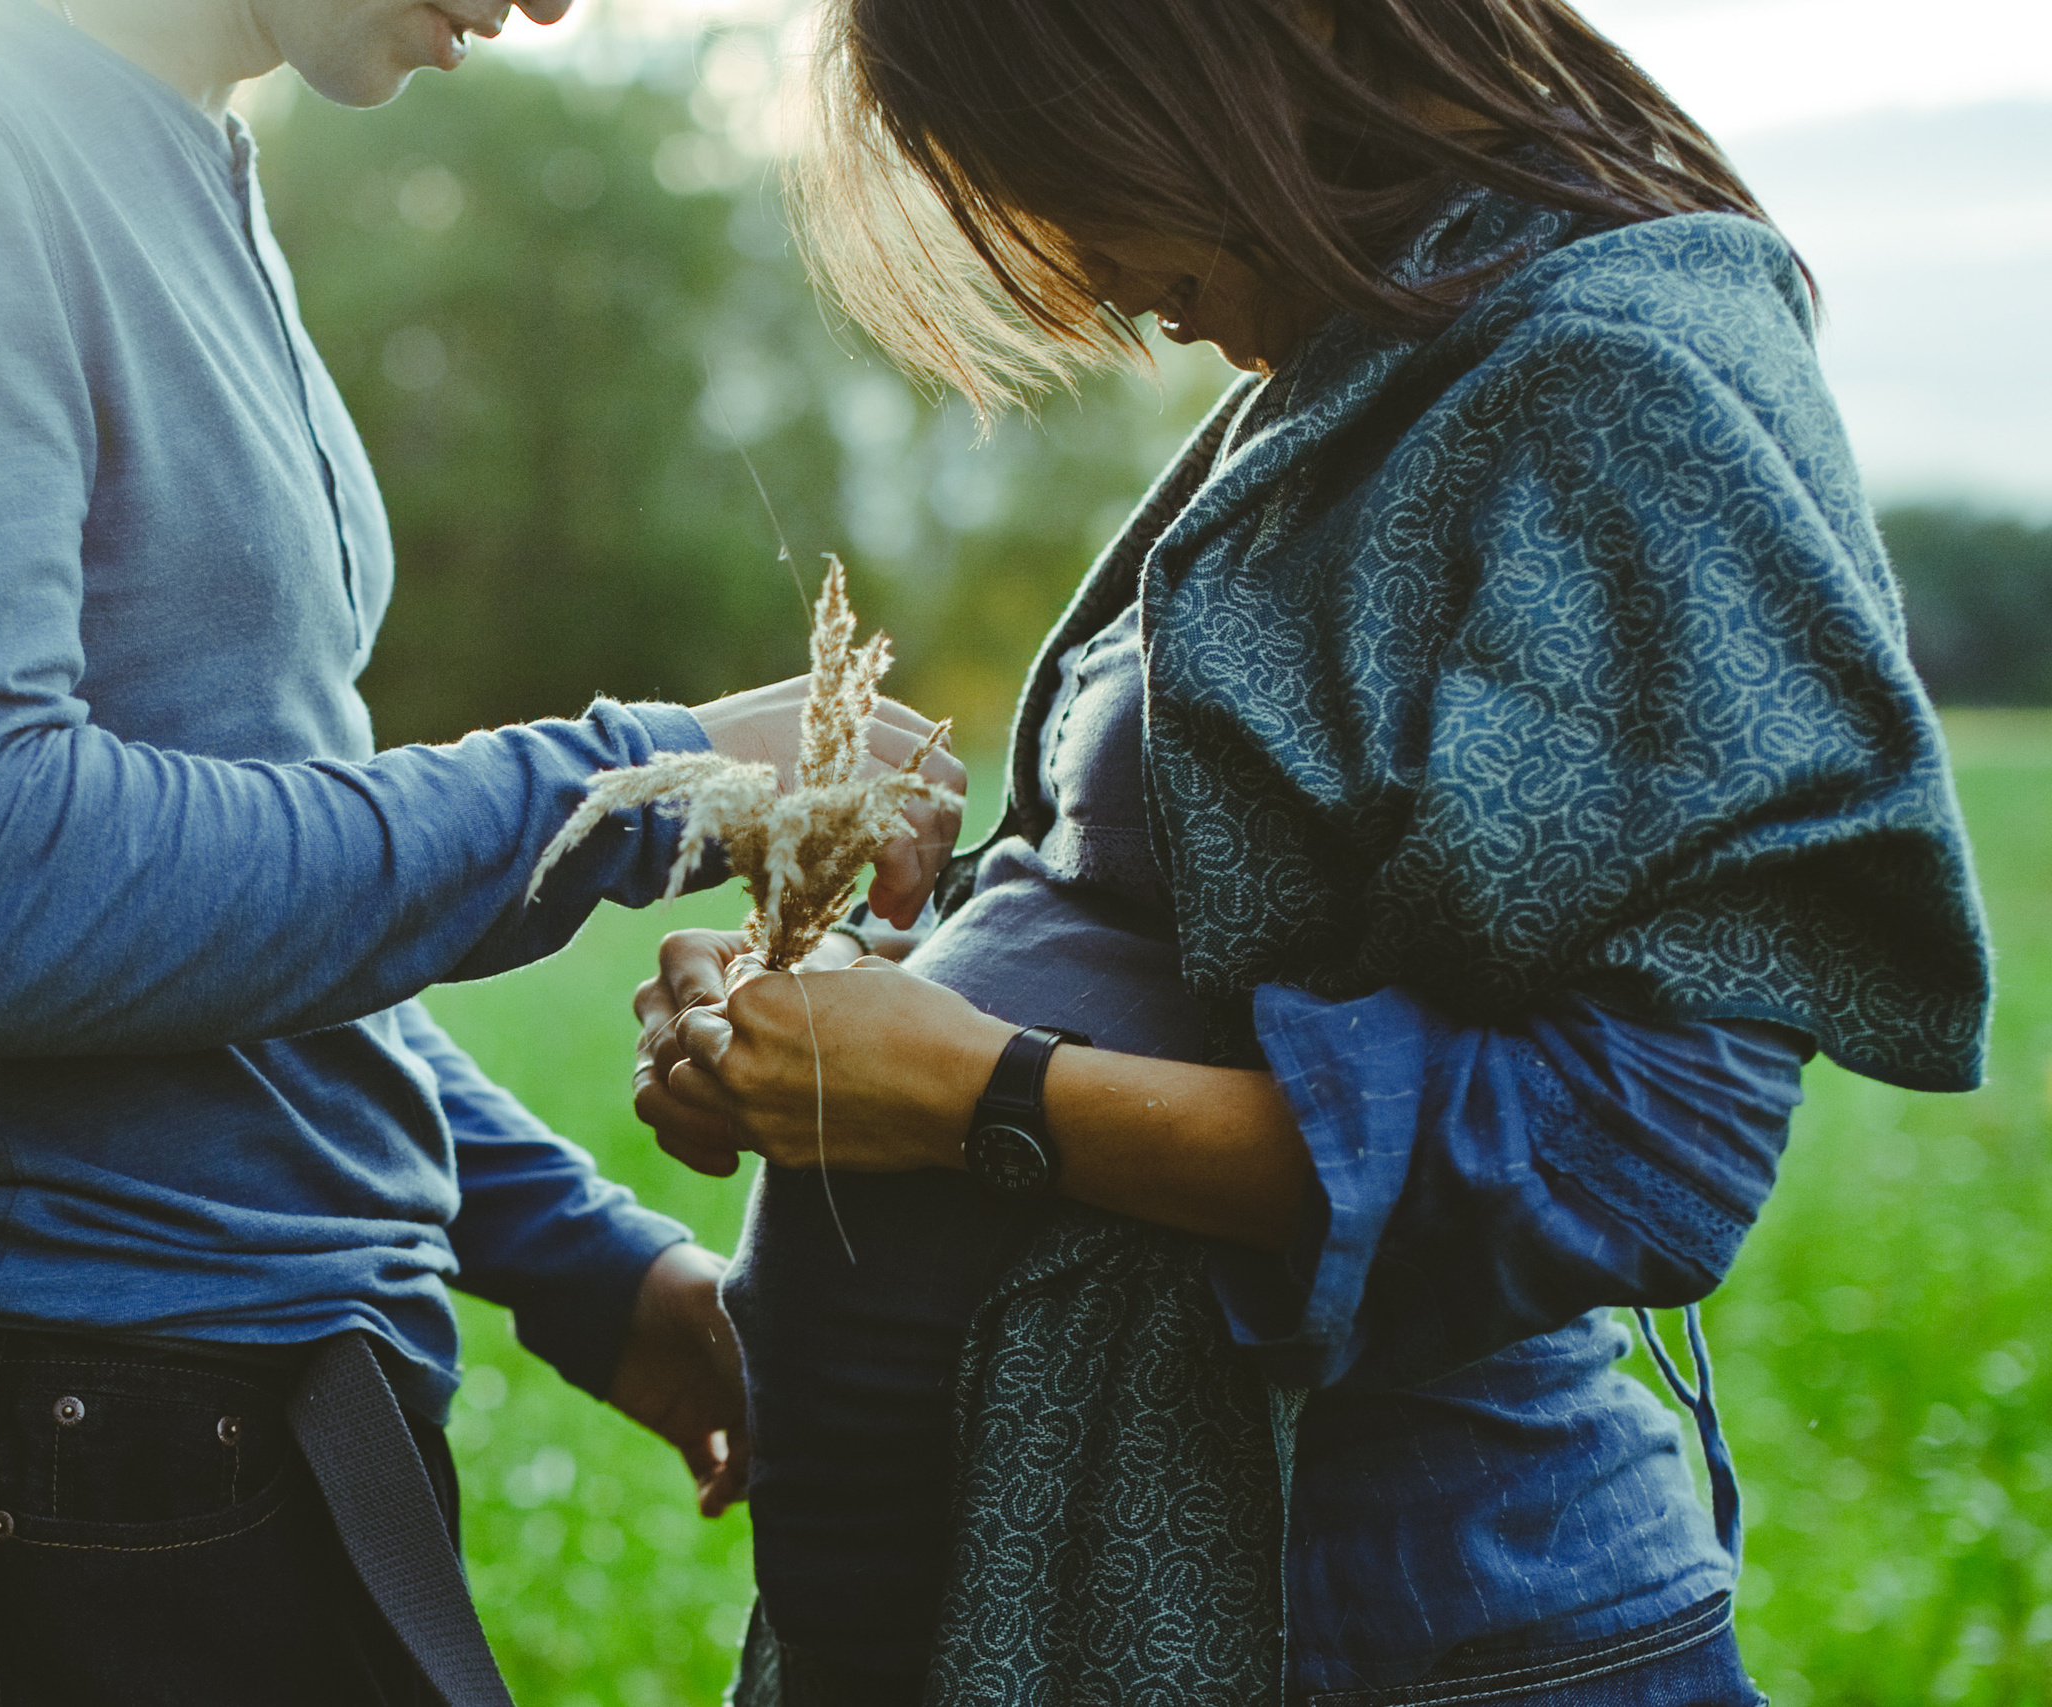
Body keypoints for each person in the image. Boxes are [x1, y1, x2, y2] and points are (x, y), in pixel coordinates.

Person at [632, 1, 1992, 1703]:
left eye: (1058, 170)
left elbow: (1639, 1150)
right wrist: (849, 1032)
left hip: (1406, 1628)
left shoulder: (1609, 380)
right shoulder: (1377, 356)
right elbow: (1206, 951)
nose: (1089, 275)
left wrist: (982, 1095)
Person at [0, 0, 963, 1696]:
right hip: (41, 1446)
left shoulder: (187, 154)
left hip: (227, 1420)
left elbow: (220, 946)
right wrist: (650, 782)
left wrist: (595, 1269)